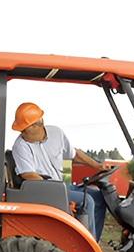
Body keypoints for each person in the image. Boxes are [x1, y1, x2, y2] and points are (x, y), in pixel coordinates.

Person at [10, 102, 111, 241]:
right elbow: (27, 174)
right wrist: (55, 190)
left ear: (38, 125)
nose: (21, 134)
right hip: (45, 191)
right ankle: (89, 249)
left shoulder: (56, 133)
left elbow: (73, 154)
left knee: (99, 197)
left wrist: (98, 166)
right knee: (86, 200)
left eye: (23, 130)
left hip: (62, 185)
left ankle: (94, 241)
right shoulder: (20, 146)